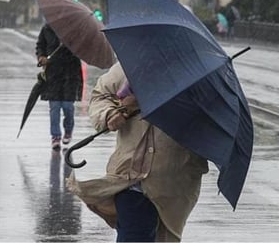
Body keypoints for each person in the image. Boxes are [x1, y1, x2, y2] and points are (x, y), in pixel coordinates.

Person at [67, 62, 208, 242]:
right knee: (133, 235)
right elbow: (100, 96)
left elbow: (211, 126)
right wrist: (111, 113)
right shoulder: (130, 66)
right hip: (130, 177)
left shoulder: (198, 75)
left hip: (175, 181)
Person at [36, 24, 83, 149]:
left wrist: (69, 44)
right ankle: (55, 136)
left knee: (68, 107)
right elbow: (40, 45)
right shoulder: (47, 29)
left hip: (70, 74)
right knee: (54, 107)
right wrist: (42, 56)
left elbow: (82, 48)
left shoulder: (74, 30)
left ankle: (68, 130)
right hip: (53, 74)